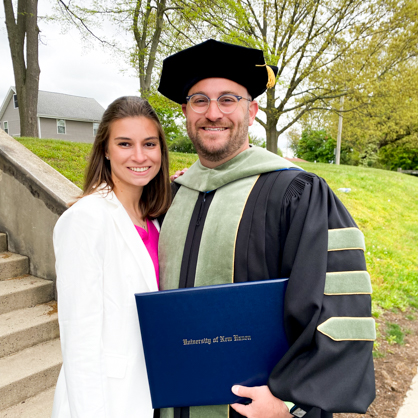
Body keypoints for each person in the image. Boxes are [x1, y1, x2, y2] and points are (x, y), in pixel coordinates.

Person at [157, 40, 376, 418]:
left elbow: (337, 304)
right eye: (200, 100)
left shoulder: (296, 192)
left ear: (252, 110)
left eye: (228, 99)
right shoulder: (169, 198)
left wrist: (292, 404)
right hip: (171, 401)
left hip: (259, 410)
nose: (213, 113)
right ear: (185, 111)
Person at [51, 96, 171, 417]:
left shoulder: (156, 218)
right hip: (108, 399)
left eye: (149, 144)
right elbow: (79, 339)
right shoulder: (86, 219)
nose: (139, 156)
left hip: (153, 389)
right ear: (105, 149)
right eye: (124, 144)